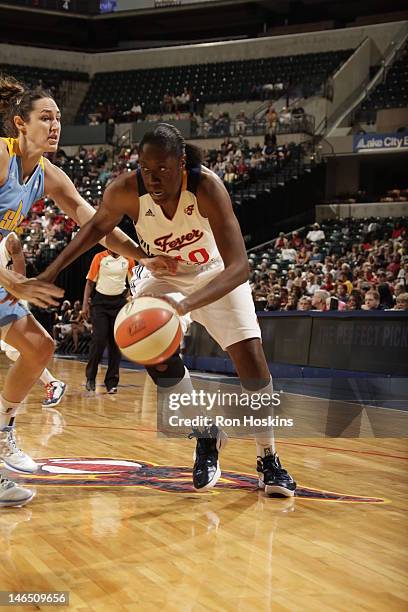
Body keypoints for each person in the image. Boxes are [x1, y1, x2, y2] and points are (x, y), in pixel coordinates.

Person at [40, 123, 296, 497]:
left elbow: (240, 266)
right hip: (162, 272)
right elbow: (93, 229)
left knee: (252, 362)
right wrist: (49, 271)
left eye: (162, 168)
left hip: (215, 272)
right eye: (146, 168)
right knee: (146, 343)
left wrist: (188, 303)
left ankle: (268, 458)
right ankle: (205, 432)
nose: (153, 177)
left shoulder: (207, 188)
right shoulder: (126, 190)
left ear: (181, 164)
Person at [0, 75, 145, 507]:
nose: (55, 125)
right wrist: (12, 280)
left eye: (59, 118)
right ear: (19, 124)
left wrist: (143, 255)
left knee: (39, 348)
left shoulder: (48, 174)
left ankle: (4, 430)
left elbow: (95, 223)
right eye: (45, 117)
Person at [0, 231, 67, 407]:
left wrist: (14, 291)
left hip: (8, 297)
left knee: (18, 350)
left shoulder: (10, 238)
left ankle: (52, 383)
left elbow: (21, 276)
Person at [82, 249, 134, 394]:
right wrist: (85, 305)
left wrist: (132, 299)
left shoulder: (128, 258)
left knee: (116, 343)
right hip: (100, 303)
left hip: (119, 303)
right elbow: (89, 283)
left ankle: (111, 381)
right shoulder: (99, 257)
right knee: (99, 340)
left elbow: (134, 283)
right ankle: (90, 377)